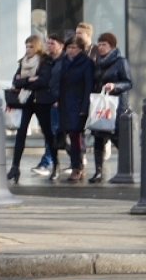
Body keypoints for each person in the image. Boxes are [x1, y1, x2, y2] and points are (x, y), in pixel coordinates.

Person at [5, 35, 56, 184]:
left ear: (37, 47)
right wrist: (28, 80)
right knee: (21, 133)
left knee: (47, 133)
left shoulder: (45, 61)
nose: (28, 50)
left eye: (31, 46)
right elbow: (16, 81)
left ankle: (55, 164)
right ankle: (15, 167)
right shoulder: (23, 62)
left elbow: (43, 81)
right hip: (26, 101)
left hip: (41, 101)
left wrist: (25, 82)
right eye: (26, 46)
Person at [89, 32, 132, 183]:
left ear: (112, 46)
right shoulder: (98, 62)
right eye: (99, 44)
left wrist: (114, 86)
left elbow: (128, 83)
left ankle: (128, 169)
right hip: (101, 105)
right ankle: (98, 172)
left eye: (104, 45)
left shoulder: (121, 62)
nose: (100, 47)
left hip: (116, 105)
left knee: (118, 139)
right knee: (98, 139)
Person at [52, 36, 94, 182]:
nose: (70, 51)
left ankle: (77, 167)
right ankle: (76, 164)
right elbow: (59, 82)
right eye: (69, 47)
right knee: (69, 135)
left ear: (81, 49)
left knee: (76, 136)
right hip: (65, 104)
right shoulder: (64, 62)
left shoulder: (86, 63)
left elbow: (89, 85)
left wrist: (85, 107)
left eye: (74, 48)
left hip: (78, 104)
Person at [32, 32, 67, 177]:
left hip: (59, 102)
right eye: (48, 43)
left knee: (59, 133)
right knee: (50, 134)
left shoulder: (65, 61)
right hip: (45, 101)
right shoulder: (45, 60)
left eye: (52, 43)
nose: (49, 46)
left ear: (61, 45)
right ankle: (53, 163)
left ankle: (50, 162)